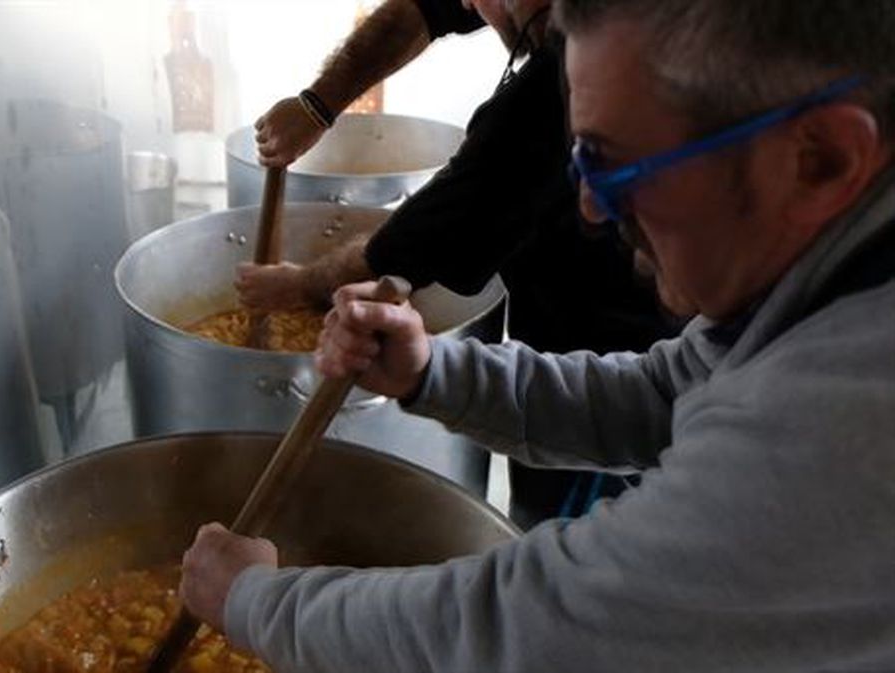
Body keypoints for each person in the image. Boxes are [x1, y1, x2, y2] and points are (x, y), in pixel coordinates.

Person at [178, 1, 895, 670]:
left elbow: (531, 625)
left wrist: (252, 601)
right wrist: (433, 373)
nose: (587, 204)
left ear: (821, 159)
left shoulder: (847, 415)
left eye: (616, 162)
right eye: (580, 158)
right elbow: (662, 393)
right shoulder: (824, 276)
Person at [243, 0, 680, 529]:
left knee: (568, 526)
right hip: (573, 359)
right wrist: (316, 106)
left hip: (624, 338)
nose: (468, 5)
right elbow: (416, 12)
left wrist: (302, 284)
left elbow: (416, 242)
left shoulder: (562, 77)